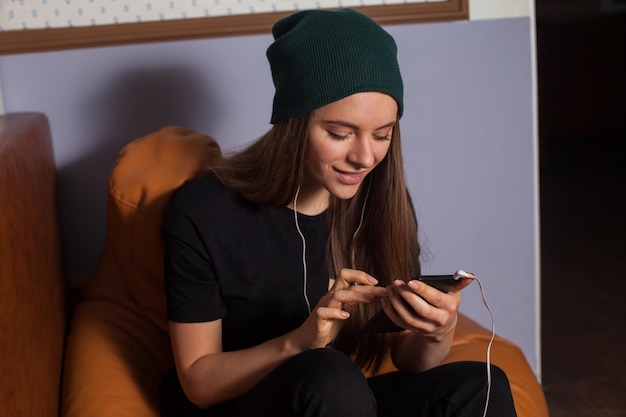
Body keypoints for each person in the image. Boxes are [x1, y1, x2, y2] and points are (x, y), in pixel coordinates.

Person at [160, 8, 517, 417]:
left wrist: (438, 330)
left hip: (338, 402)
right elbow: (198, 384)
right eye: (339, 134)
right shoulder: (204, 212)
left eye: (382, 135)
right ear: (294, 123)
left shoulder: (379, 200)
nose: (364, 157)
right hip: (248, 405)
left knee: (479, 387)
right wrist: (301, 340)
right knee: (328, 373)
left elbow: (409, 359)